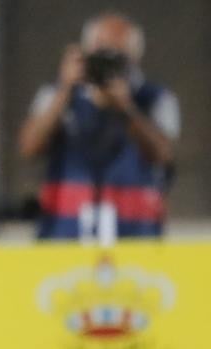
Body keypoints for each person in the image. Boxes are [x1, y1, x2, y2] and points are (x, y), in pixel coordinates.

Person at [18, 11, 178, 241]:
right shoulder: (58, 95)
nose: (107, 64)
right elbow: (29, 146)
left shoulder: (154, 99)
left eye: (116, 55)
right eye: (101, 53)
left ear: (134, 58)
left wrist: (126, 108)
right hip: (65, 234)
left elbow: (163, 155)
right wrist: (65, 89)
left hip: (135, 237)